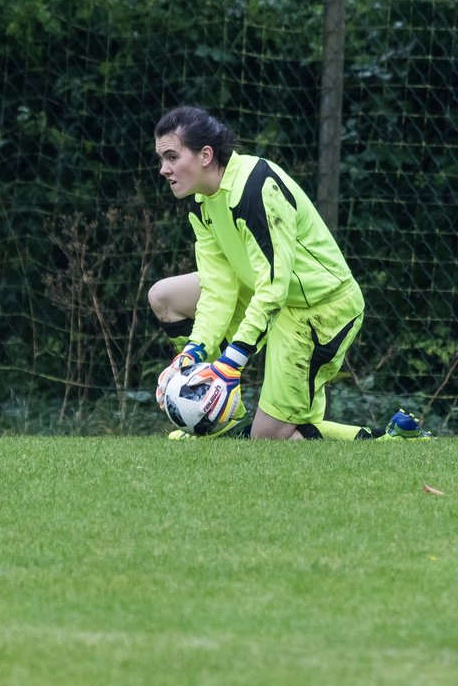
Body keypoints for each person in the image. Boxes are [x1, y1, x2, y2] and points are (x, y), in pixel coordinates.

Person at [148, 105, 429, 442]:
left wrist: (231, 361)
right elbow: (218, 287)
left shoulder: (255, 188)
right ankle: (220, 419)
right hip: (267, 295)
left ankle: (388, 440)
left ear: (206, 155)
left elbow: (274, 289)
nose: (164, 169)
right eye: (161, 159)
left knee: (268, 439)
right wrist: (194, 350)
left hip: (319, 308)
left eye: (171, 157)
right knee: (164, 297)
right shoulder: (200, 200)